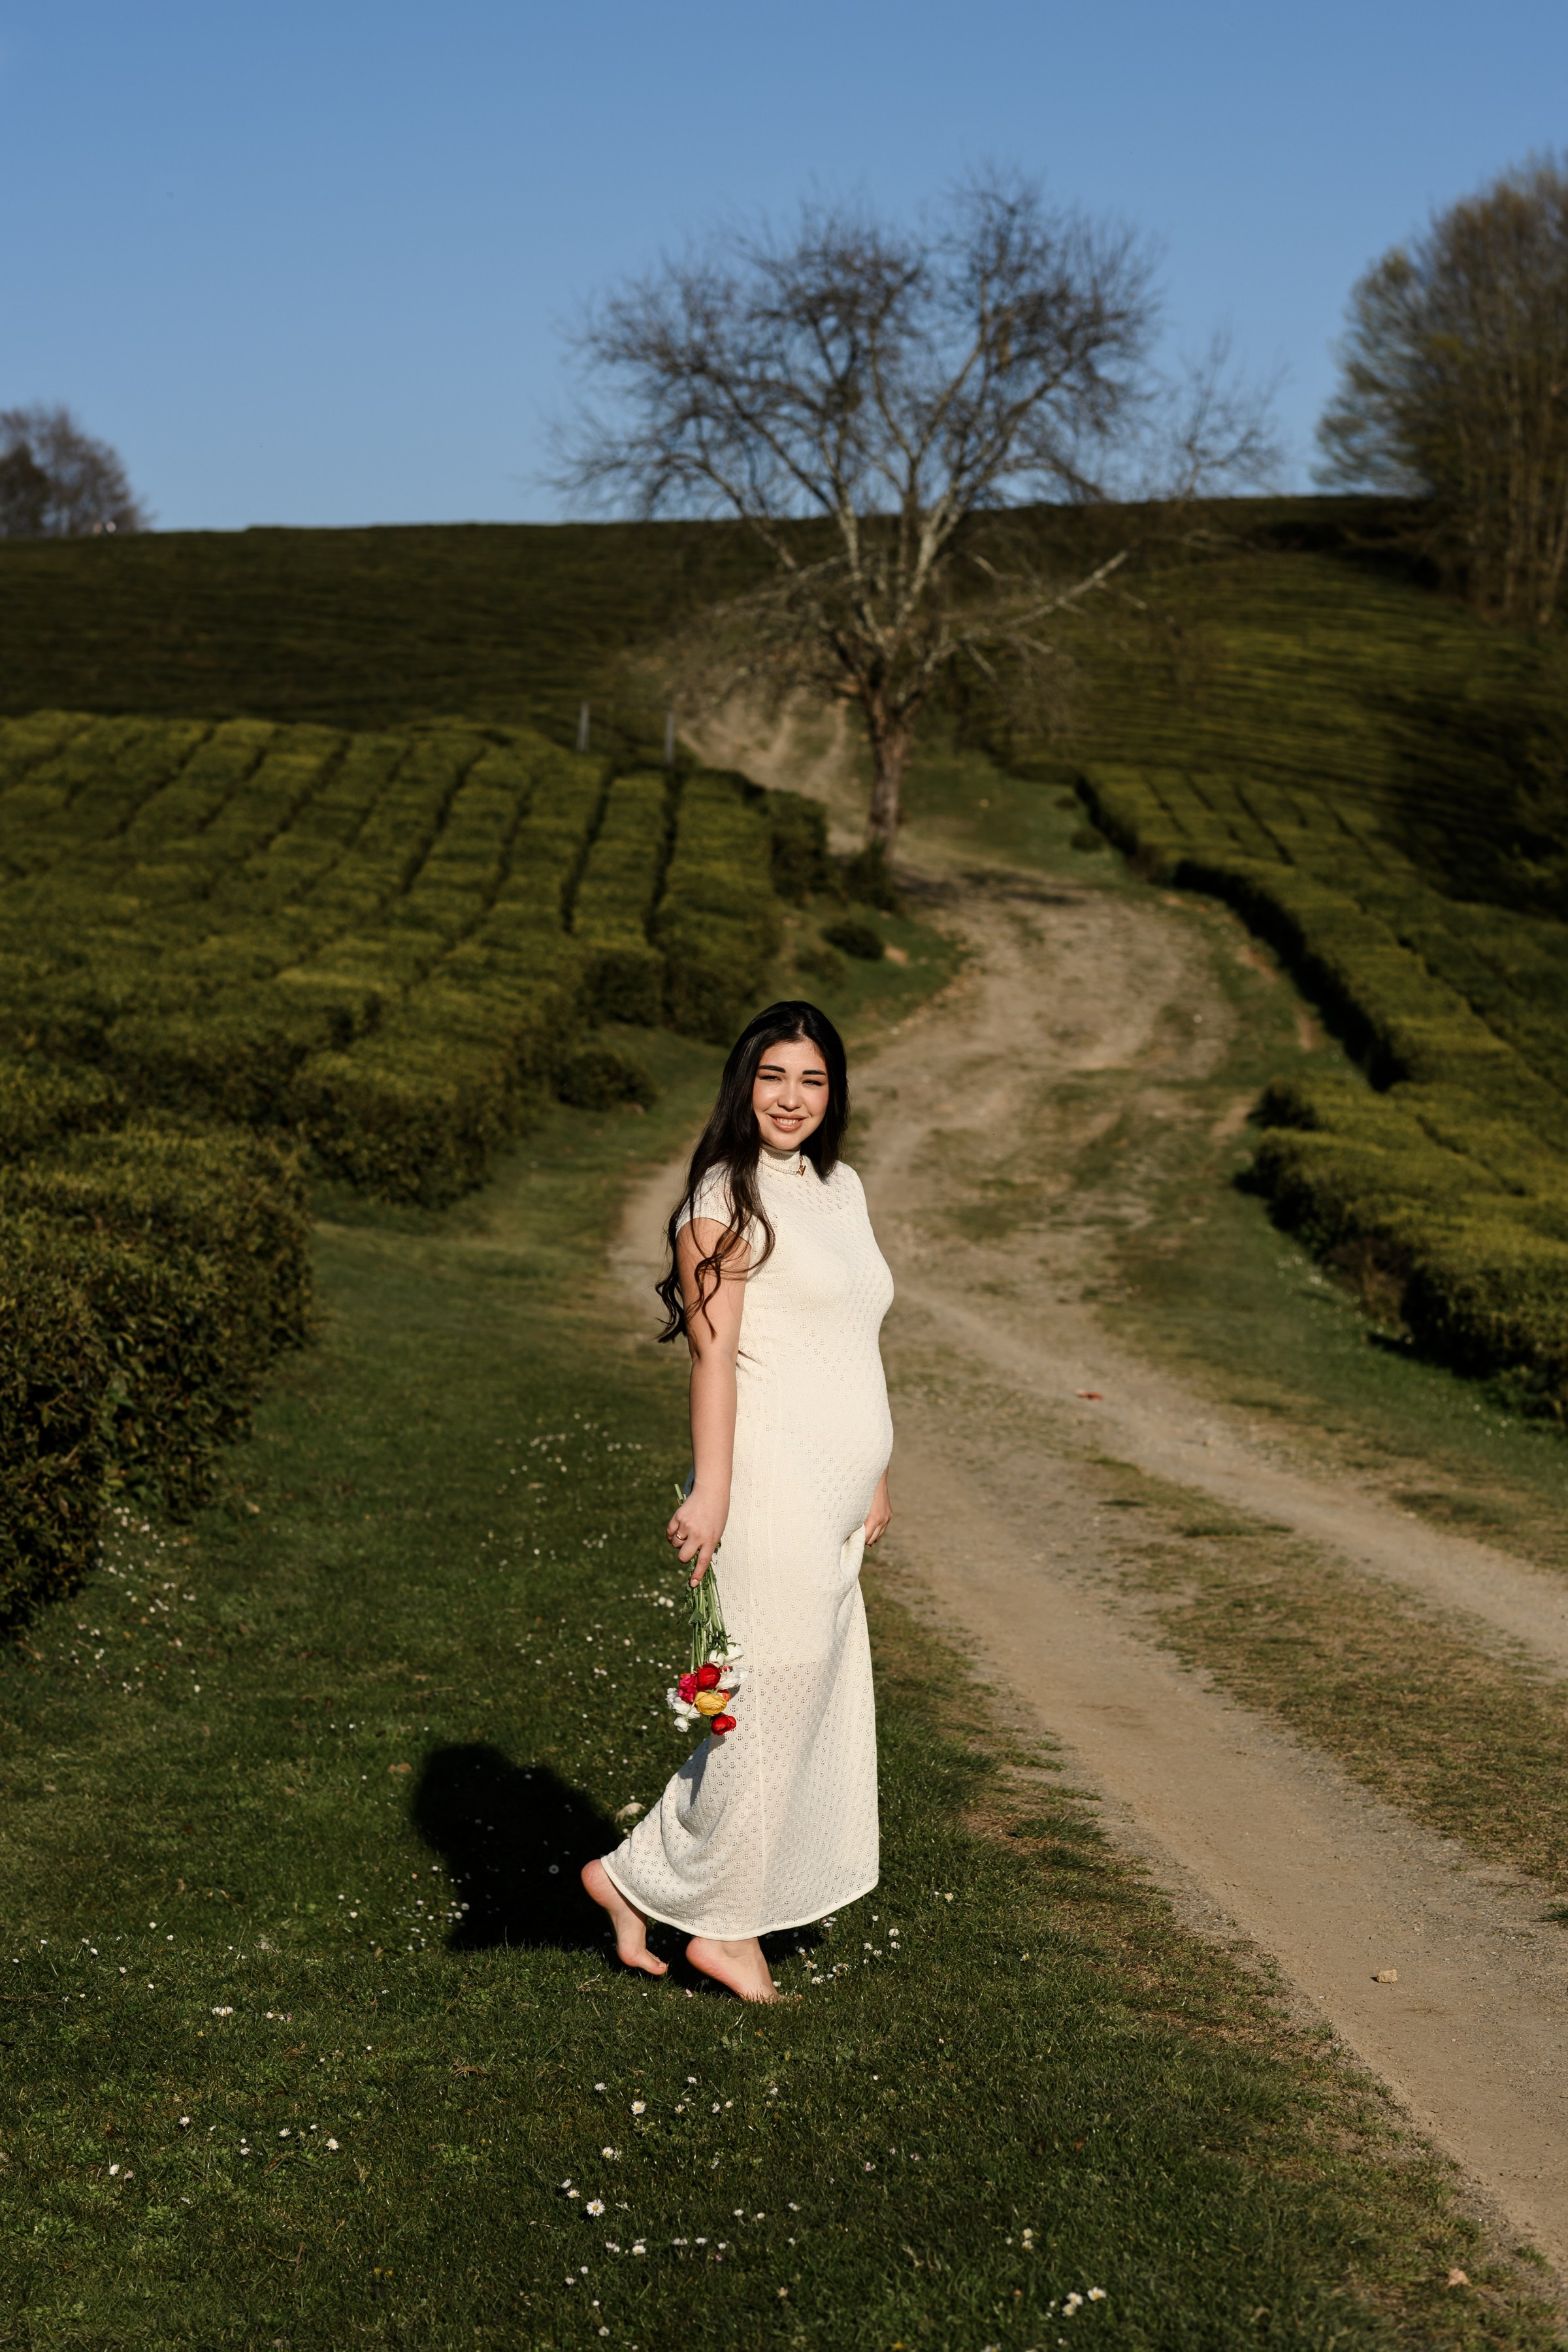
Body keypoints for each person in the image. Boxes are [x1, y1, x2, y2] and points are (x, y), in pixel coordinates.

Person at [581, 1000, 894, 2000]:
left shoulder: (838, 1189)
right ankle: (715, 1927)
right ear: (742, 1085)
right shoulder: (726, 1196)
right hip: (766, 1489)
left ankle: (634, 1881)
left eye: (811, 1080)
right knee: (772, 1699)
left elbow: (854, 1333)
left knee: (800, 1707)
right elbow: (714, 1357)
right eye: (773, 1078)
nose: (791, 1099)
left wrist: (876, 1470)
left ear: (832, 1091)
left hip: (836, 1497)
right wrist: (710, 1494)